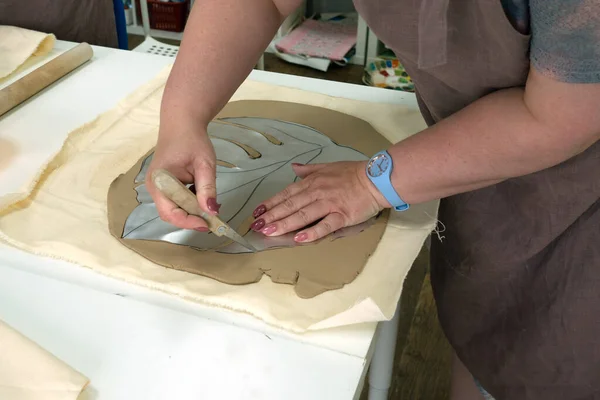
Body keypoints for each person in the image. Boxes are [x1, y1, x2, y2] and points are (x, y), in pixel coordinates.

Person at [145, 1, 600, 399]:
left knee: (539, 359)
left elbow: (560, 118)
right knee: (478, 333)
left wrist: (368, 184)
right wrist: (184, 115)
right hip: (472, 158)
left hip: (579, 208)